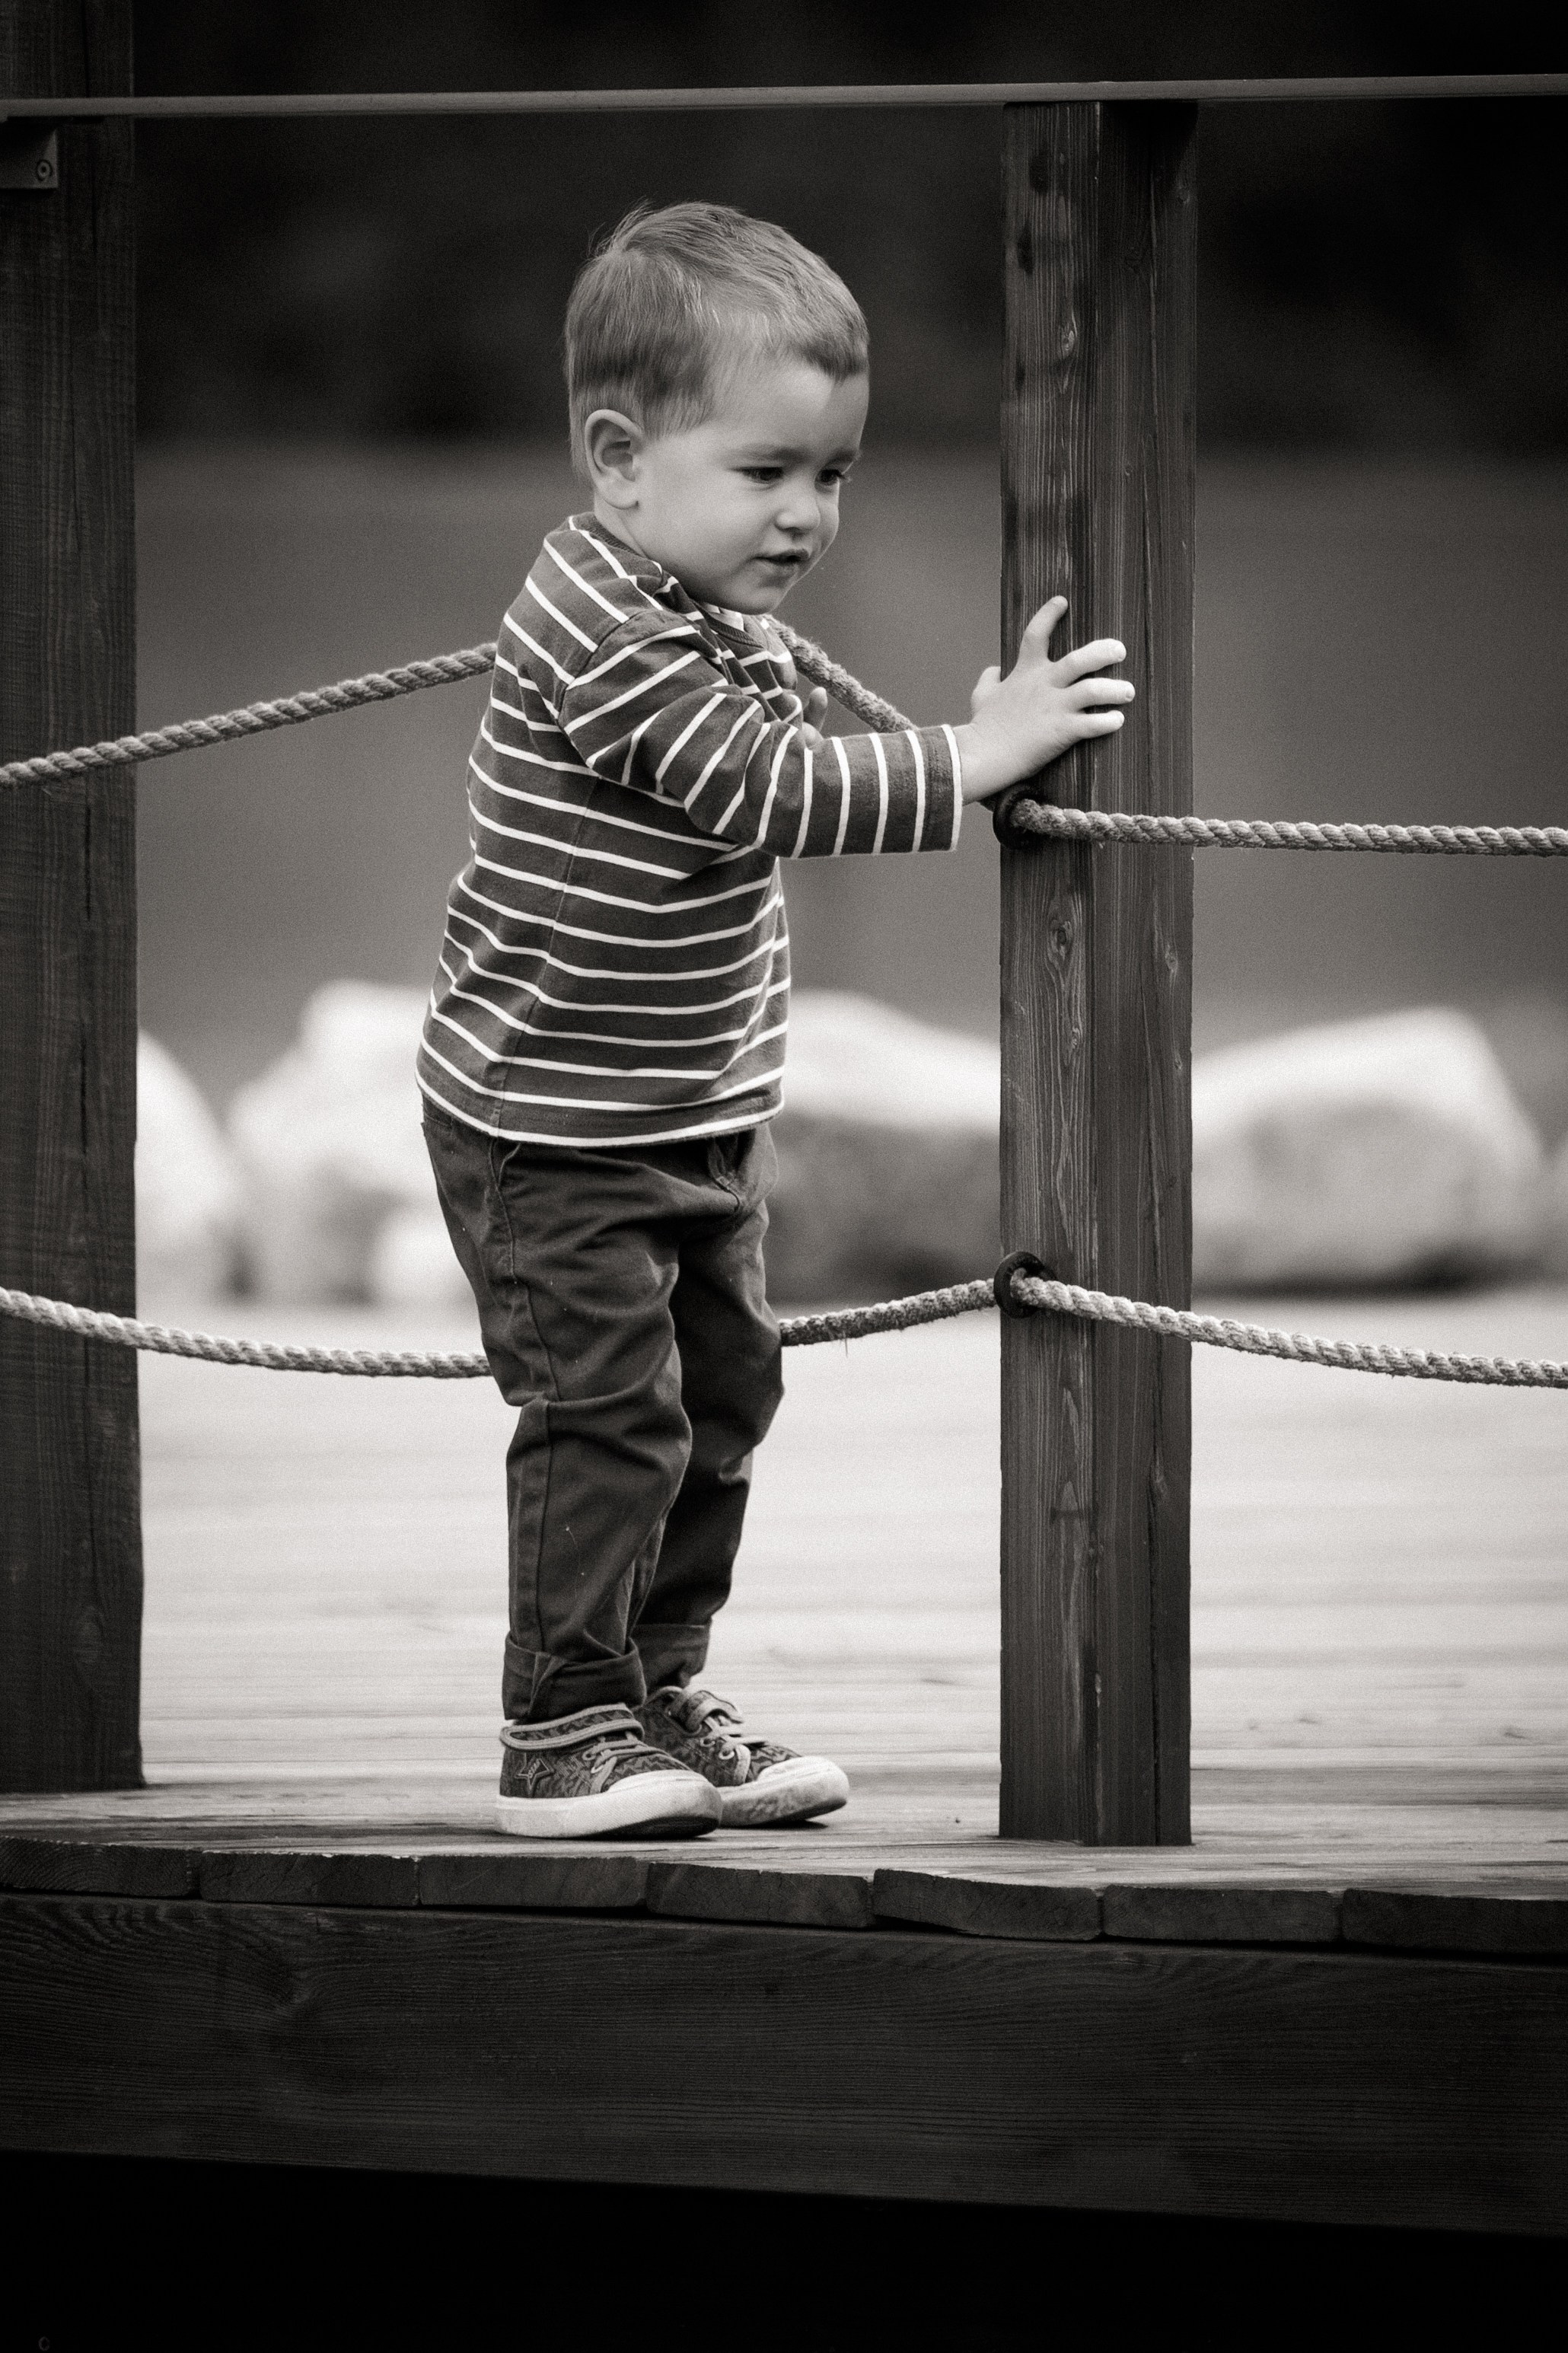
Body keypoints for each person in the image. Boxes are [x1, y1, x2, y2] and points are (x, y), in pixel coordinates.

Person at [419, 201, 1134, 1839]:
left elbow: (792, 718)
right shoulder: (604, 625)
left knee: (722, 1398)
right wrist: (974, 753)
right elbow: (770, 783)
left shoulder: (702, 612)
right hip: (553, 1126)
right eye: (768, 473)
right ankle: (558, 1724)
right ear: (619, 459)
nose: (810, 513)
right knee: (605, 1412)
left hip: (681, 1116)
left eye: (835, 476)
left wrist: (959, 729)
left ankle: (653, 1687)